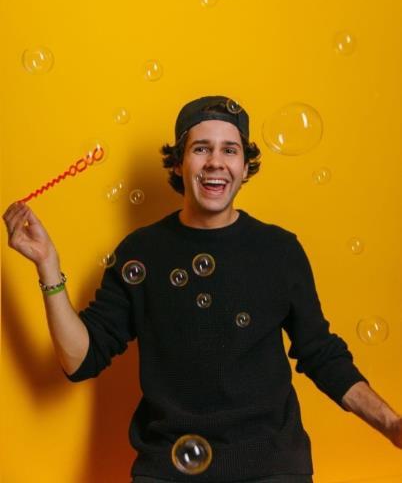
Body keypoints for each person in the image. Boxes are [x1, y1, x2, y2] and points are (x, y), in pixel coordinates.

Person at [3, 95, 402, 483]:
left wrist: (391, 423)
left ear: (245, 166)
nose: (215, 162)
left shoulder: (279, 250)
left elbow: (321, 354)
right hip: (167, 467)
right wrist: (48, 266)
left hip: (273, 465)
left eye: (230, 150)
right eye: (201, 149)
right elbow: (80, 361)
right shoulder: (141, 251)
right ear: (178, 164)